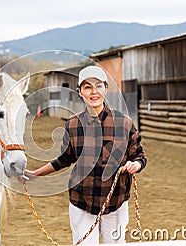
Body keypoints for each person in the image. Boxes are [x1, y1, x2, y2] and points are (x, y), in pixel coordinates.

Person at [24, 65, 147, 245]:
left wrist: (136, 165)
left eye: (98, 86)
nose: (93, 92)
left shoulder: (124, 123)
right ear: (80, 91)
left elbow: (139, 156)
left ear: (106, 88)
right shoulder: (72, 125)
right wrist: (35, 174)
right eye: (87, 87)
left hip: (116, 203)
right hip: (82, 202)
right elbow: (64, 159)